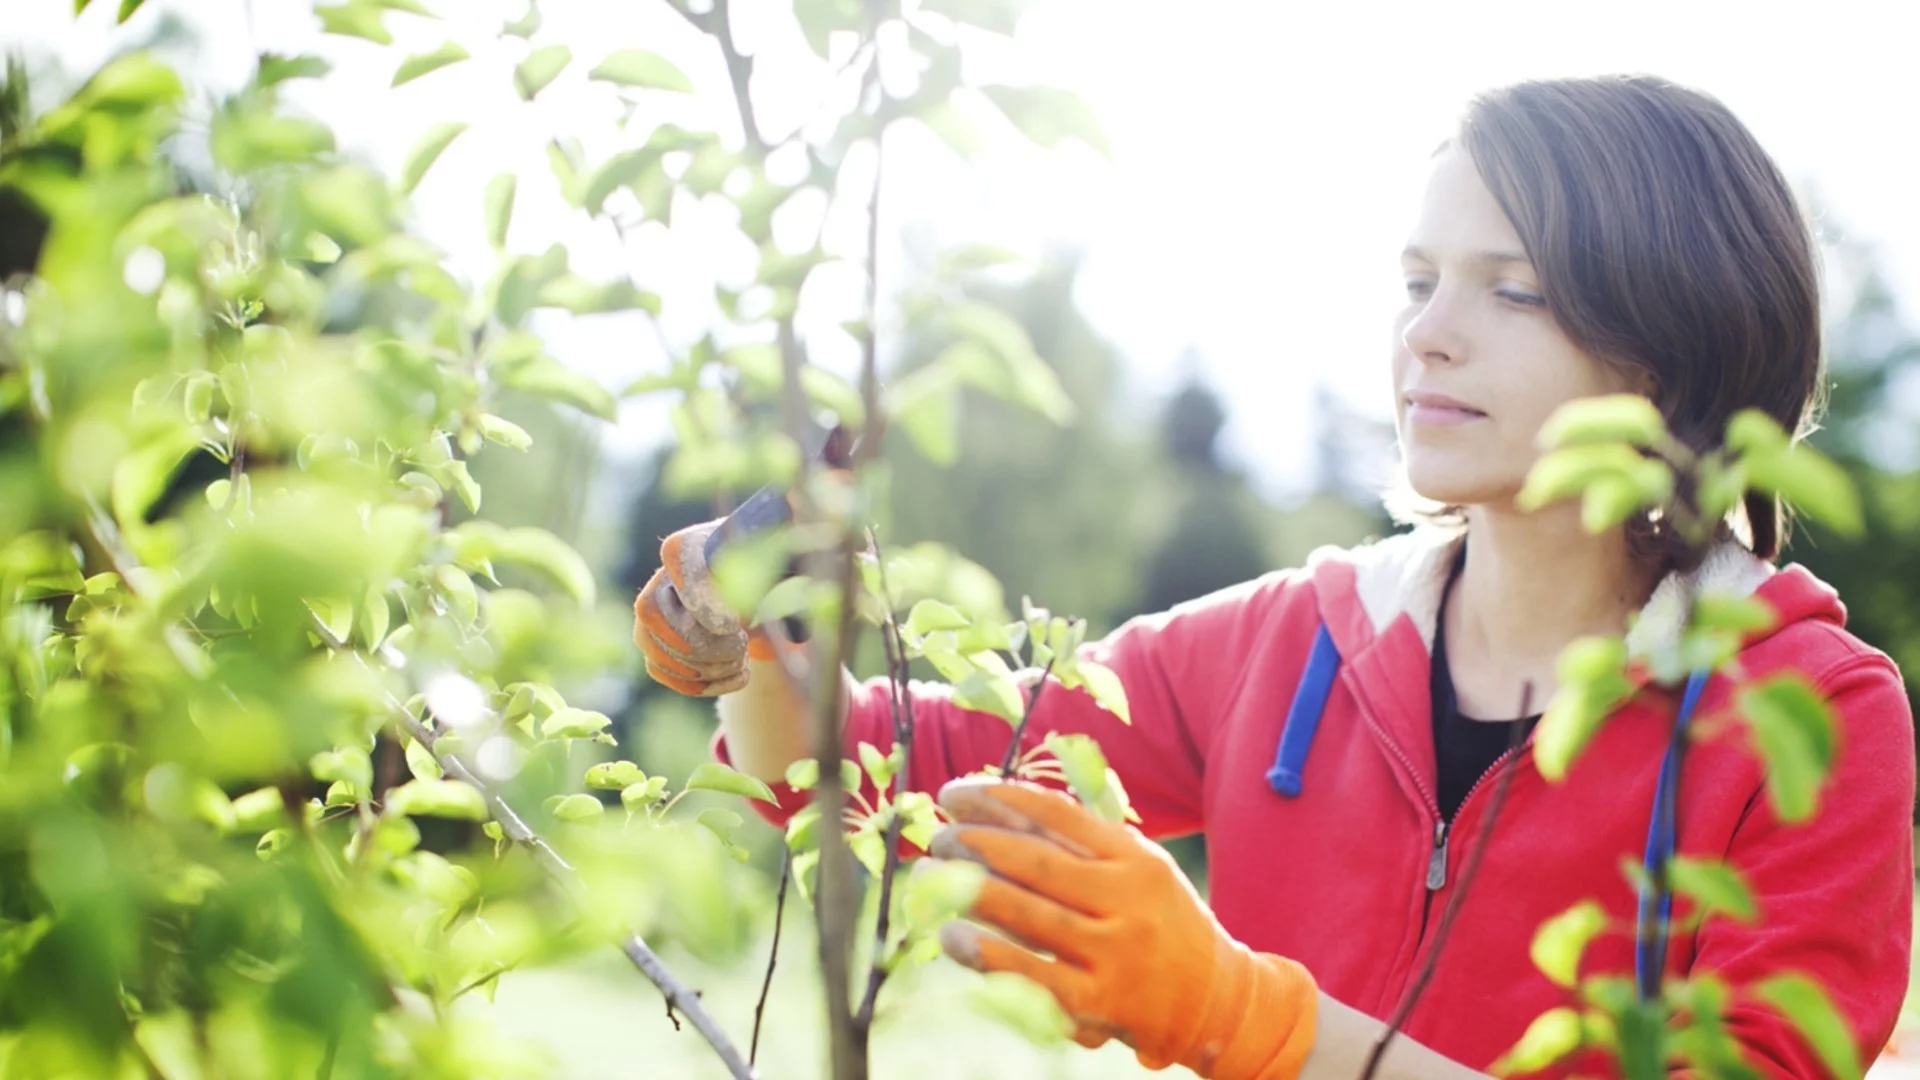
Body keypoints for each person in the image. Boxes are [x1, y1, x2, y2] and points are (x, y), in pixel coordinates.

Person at [633, 75, 1916, 1079]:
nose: (1426, 332)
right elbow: (886, 765)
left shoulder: (1809, 718)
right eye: (1416, 282)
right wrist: (755, 641)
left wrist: (1239, 1015)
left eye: (1510, 290)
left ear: (1674, 340)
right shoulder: (1296, 640)